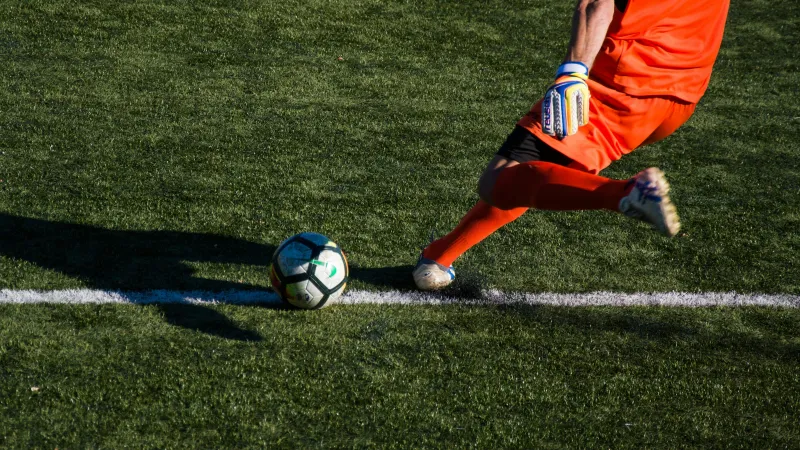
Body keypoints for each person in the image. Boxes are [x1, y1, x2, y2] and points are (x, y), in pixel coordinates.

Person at [413, 0, 731, 290]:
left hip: (621, 84)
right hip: (681, 96)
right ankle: (438, 258)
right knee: (533, 173)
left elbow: (596, 4)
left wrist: (573, 72)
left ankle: (626, 194)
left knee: (495, 181)